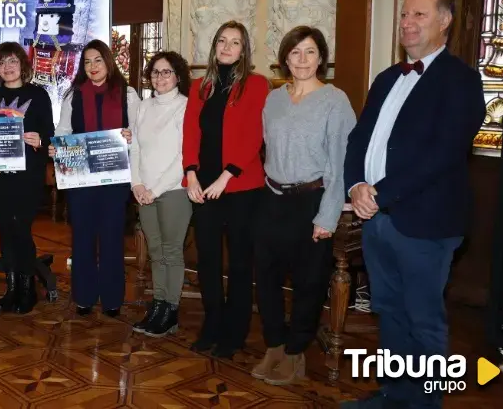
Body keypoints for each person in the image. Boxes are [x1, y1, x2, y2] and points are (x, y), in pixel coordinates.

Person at [341, 0, 485, 409]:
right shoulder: (387, 78)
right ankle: (393, 395)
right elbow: (358, 141)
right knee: (389, 314)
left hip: (426, 222)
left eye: (419, 15)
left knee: (424, 322)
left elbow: (442, 155)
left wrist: (380, 193)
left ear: (444, 22)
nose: (407, 23)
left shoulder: (461, 80)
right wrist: (355, 187)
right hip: (377, 219)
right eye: (404, 15)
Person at [252, 26, 356, 385]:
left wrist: (328, 214)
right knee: (265, 277)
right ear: (285, 59)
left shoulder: (335, 100)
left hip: (313, 200)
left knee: (309, 282)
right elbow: (266, 147)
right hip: (272, 198)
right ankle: (274, 345)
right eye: (295, 52)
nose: (302, 60)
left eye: (310, 52)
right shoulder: (274, 99)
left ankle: (296, 351)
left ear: (321, 58)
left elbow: (342, 162)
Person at [182, 20, 268, 358]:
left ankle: (235, 332)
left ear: (244, 50)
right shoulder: (199, 86)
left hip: (242, 187)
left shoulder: (257, 85)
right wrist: (190, 173)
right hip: (202, 187)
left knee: (240, 264)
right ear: (214, 46)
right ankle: (212, 324)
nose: (227, 47)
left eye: (235, 42)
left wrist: (226, 176)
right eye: (222, 40)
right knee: (207, 261)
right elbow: (190, 132)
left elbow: (254, 137)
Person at [52, 40, 139, 317]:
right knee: (83, 239)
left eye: (98, 60)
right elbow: (64, 130)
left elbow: (140, 133)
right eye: (87, 62)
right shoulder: (72, 96)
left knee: (113, 238)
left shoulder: (129, 94)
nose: (92, 67)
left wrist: (131, 137)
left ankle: (113, 298)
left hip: (115, 181)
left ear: (108, 62)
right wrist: (58, 146)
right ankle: (84, 297)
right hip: (81, 181)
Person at [0, 42, 54, 314]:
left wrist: (41, 139)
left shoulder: (38, 95)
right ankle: (11, 287)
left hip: (27, 175)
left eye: (13, 61)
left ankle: (28, 289)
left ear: (23, 65)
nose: (8, 67)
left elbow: (49, 134)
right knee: (4, 230)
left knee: (21, 230)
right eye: (2, 63)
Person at [129, 50, 192, 336]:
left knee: (171, 251)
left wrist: (155, 189)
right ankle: (158, 304)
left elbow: (184, 156)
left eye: (167, 72)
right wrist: (137, 184)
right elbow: (136, 148)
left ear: (177, 75)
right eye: (156, 72)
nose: (160, 77)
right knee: (155, 251)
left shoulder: (186, 107)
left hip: (173, 190)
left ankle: (171, 309)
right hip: (145, 192)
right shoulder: (143, 106)